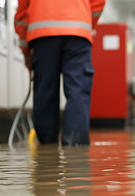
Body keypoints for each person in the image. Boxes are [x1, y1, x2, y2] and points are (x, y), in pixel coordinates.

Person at [15, 0, 105, 146]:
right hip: (78, 34)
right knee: (78, 91)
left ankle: (46, 151)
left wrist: (26, 51)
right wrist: (87, 23)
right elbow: (98, 3)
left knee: (45, 91)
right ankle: (75, 152)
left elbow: (22, 13)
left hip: (42, 35)